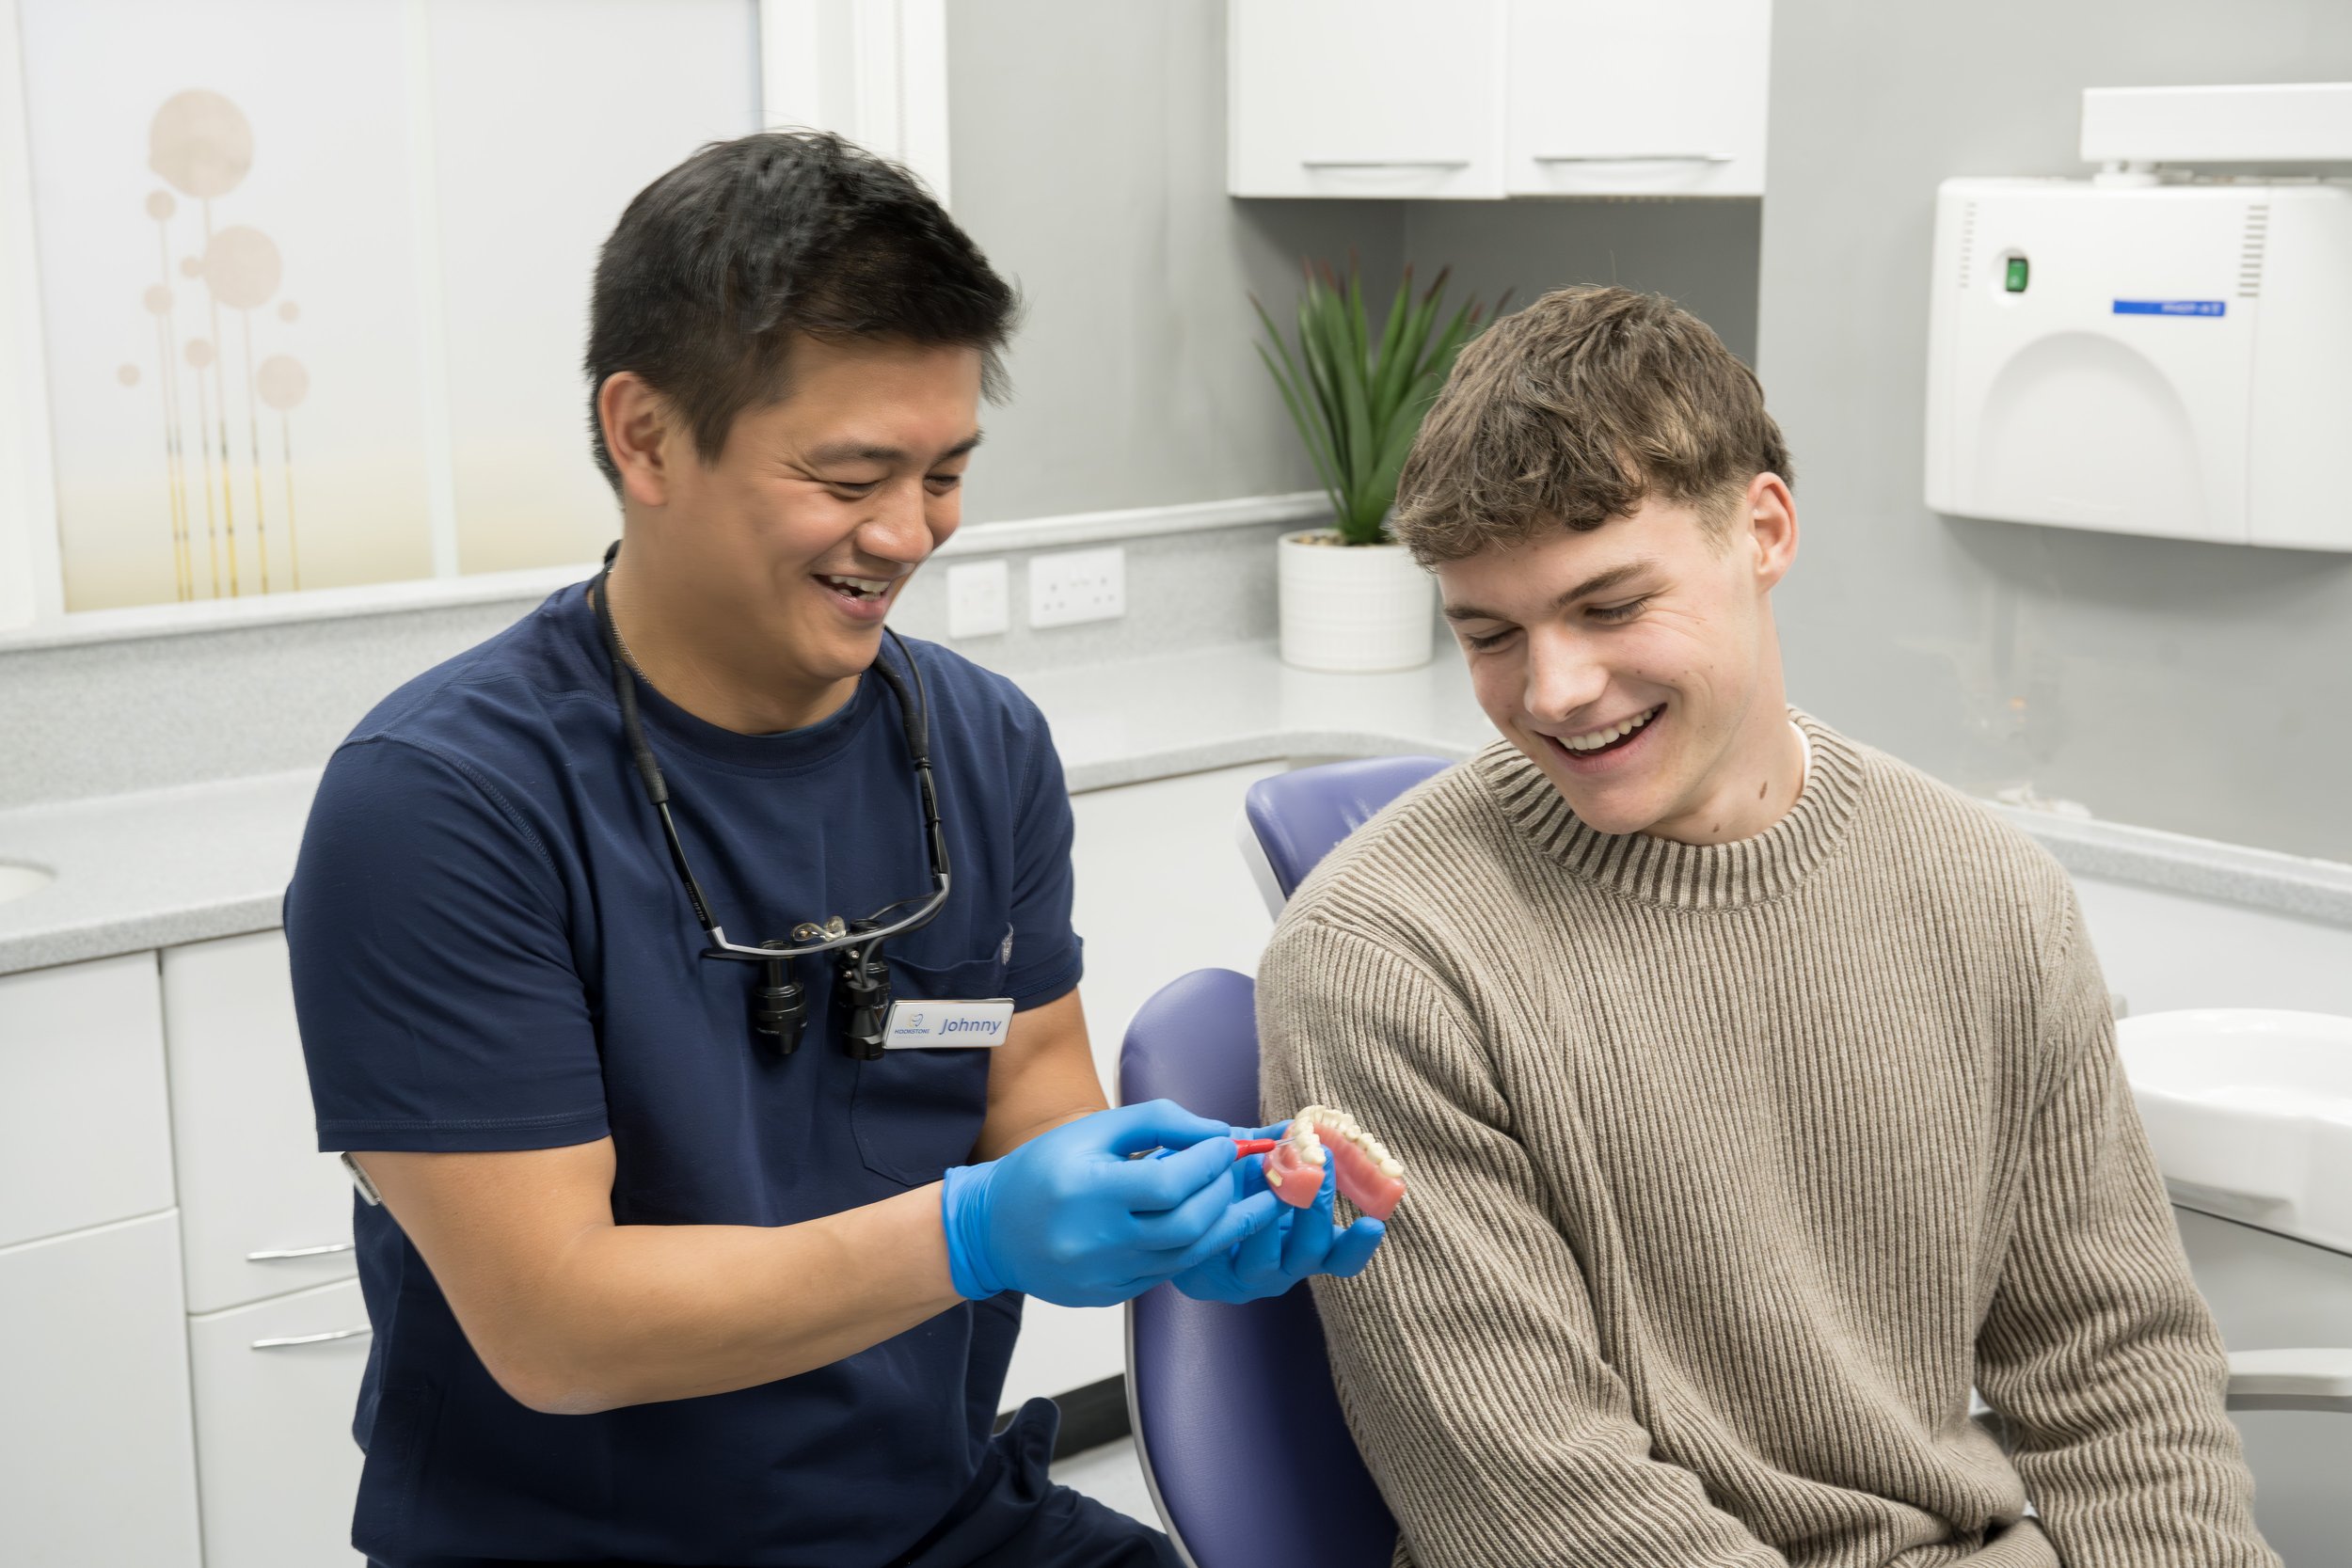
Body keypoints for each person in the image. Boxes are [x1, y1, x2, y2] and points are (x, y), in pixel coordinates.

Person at [284, 131, 1380, 1568]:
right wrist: (975, 1236)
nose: (910, 531)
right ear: (646, 435)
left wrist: (1200, 1215)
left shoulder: (979, 747)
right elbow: (554, 1327)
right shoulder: (439, 806)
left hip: (937, 1521)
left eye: (945, 471)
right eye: (852, 473)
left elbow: (1031, 1093)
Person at [1257, 286, 2276, 1568]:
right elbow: (1541, 1508)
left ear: (1764, 529)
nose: (1555, 690)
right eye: (1489, 633)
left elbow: (2116, 1375)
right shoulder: (1381, 961)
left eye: (1611, 607)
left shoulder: (1992, 894)